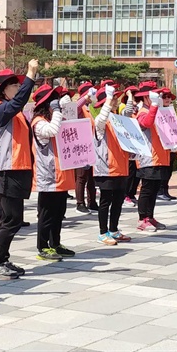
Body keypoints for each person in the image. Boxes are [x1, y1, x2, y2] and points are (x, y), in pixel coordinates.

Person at [0, 60, 39, 279]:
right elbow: (19, 102)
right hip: (7, 170)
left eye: (19, 85)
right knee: (12, 219)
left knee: (7, 219)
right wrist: (31, 74)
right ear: (3, 91)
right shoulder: (0, 110)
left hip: (18, 169)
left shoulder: (14, 112)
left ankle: (2, 258)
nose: (18, 89)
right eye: (14, 85)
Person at [31, 84, 75, 261]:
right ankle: (42, 246)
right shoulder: (39, 122)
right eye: (52, 101)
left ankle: (55, 243)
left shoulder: (53, 118)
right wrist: (57, 111)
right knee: (46, 214)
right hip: (48, 175)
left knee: (59, 212)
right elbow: (52, 131)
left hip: (61, 173)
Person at [92, 86, 131, 245]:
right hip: (106, 168)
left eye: (115, 98)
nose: (116, 101)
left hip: (121, 167)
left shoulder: (117, 118)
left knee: (118, 200)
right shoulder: (101, 122)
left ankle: (114, 229)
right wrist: (108, 99)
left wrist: (130, 97)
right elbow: (101, 119)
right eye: (113, 98)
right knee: (105, 201)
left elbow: (128, 117)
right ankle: (103, 232)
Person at [133, 82, 168, 232]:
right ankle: (142, 218)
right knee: (147, 189)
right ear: (147, 97)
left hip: (158, 156)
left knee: (154, 189)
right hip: (148, 158)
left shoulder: (155, 110)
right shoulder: (142, 111)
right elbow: (146, 123)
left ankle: (150, 216)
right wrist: (154, 105)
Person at [74, 81, 98, 214]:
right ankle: (80, 203)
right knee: (81, 176)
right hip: (80, 145)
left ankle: (92, 201)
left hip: (91, 145)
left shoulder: (90, 108)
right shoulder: (80, 107)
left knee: (91, 177)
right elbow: (74, 108)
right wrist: (84, 98)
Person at [157, 88, 177, 202]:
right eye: (164, 97)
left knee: (169, 170)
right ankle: (160, 191)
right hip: (162, 146)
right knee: (163, 170)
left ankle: (165, 190)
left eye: (169, 97)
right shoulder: (158, 111)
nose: (167, 99)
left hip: (171, 146)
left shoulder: (171, 111)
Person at [120, 85, 139, 207]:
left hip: (136, 144)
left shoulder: (137, 109)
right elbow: (127, 112)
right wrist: (130, 96)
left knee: (136, 172)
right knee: (130, 171)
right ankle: (125, 195)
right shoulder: (123, 108)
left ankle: (131, 194)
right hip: (128, 144)